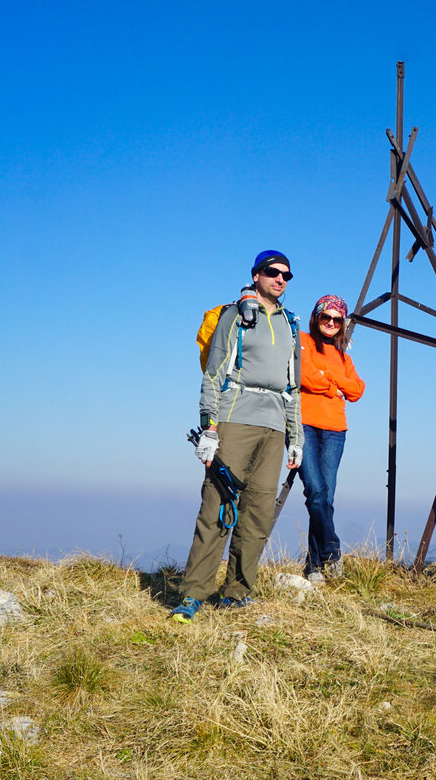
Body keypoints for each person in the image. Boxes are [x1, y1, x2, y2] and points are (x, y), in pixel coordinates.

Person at [170, 250, 303, 623]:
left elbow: (293, 388)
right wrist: (209, 427)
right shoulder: (236, 315)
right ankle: (193, 594)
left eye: (287, 276)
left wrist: (297, 437)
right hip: (235, 418)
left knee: (258, 513)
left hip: (275, 427)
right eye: (273, 273)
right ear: (256, 275)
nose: (280, 280)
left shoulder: (291, 324)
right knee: (217, 507)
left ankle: (237, 594)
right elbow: (214, 374)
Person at [298, 294, 365, 581]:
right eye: (326, 317)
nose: (331, 323)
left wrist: (329, 378)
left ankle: (314, 567)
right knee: (315, 491)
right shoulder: (303, 340)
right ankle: (333, 549)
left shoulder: (344, 357)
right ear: (316, 317)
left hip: (336, 430)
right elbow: (305, 375)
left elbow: (358, 390)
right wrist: (332, 387)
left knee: (326, 496)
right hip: (304, 426)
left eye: (337, 320)